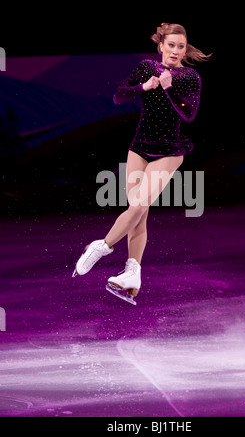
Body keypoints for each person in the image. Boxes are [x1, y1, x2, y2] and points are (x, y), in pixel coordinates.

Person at [72, 23, 211, 305]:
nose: (175, 51)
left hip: (170, 151)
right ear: (161, 46)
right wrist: (142, 86)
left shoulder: (189, 76)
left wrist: (170, 89)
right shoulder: (146, 67)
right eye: (170, 45)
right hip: (139, 148)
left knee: (137, 206)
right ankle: (132, 275)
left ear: (185, 49)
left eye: (180, 46)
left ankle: (102, 246)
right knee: (140, 211)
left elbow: (189, 115)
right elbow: (118, 96)